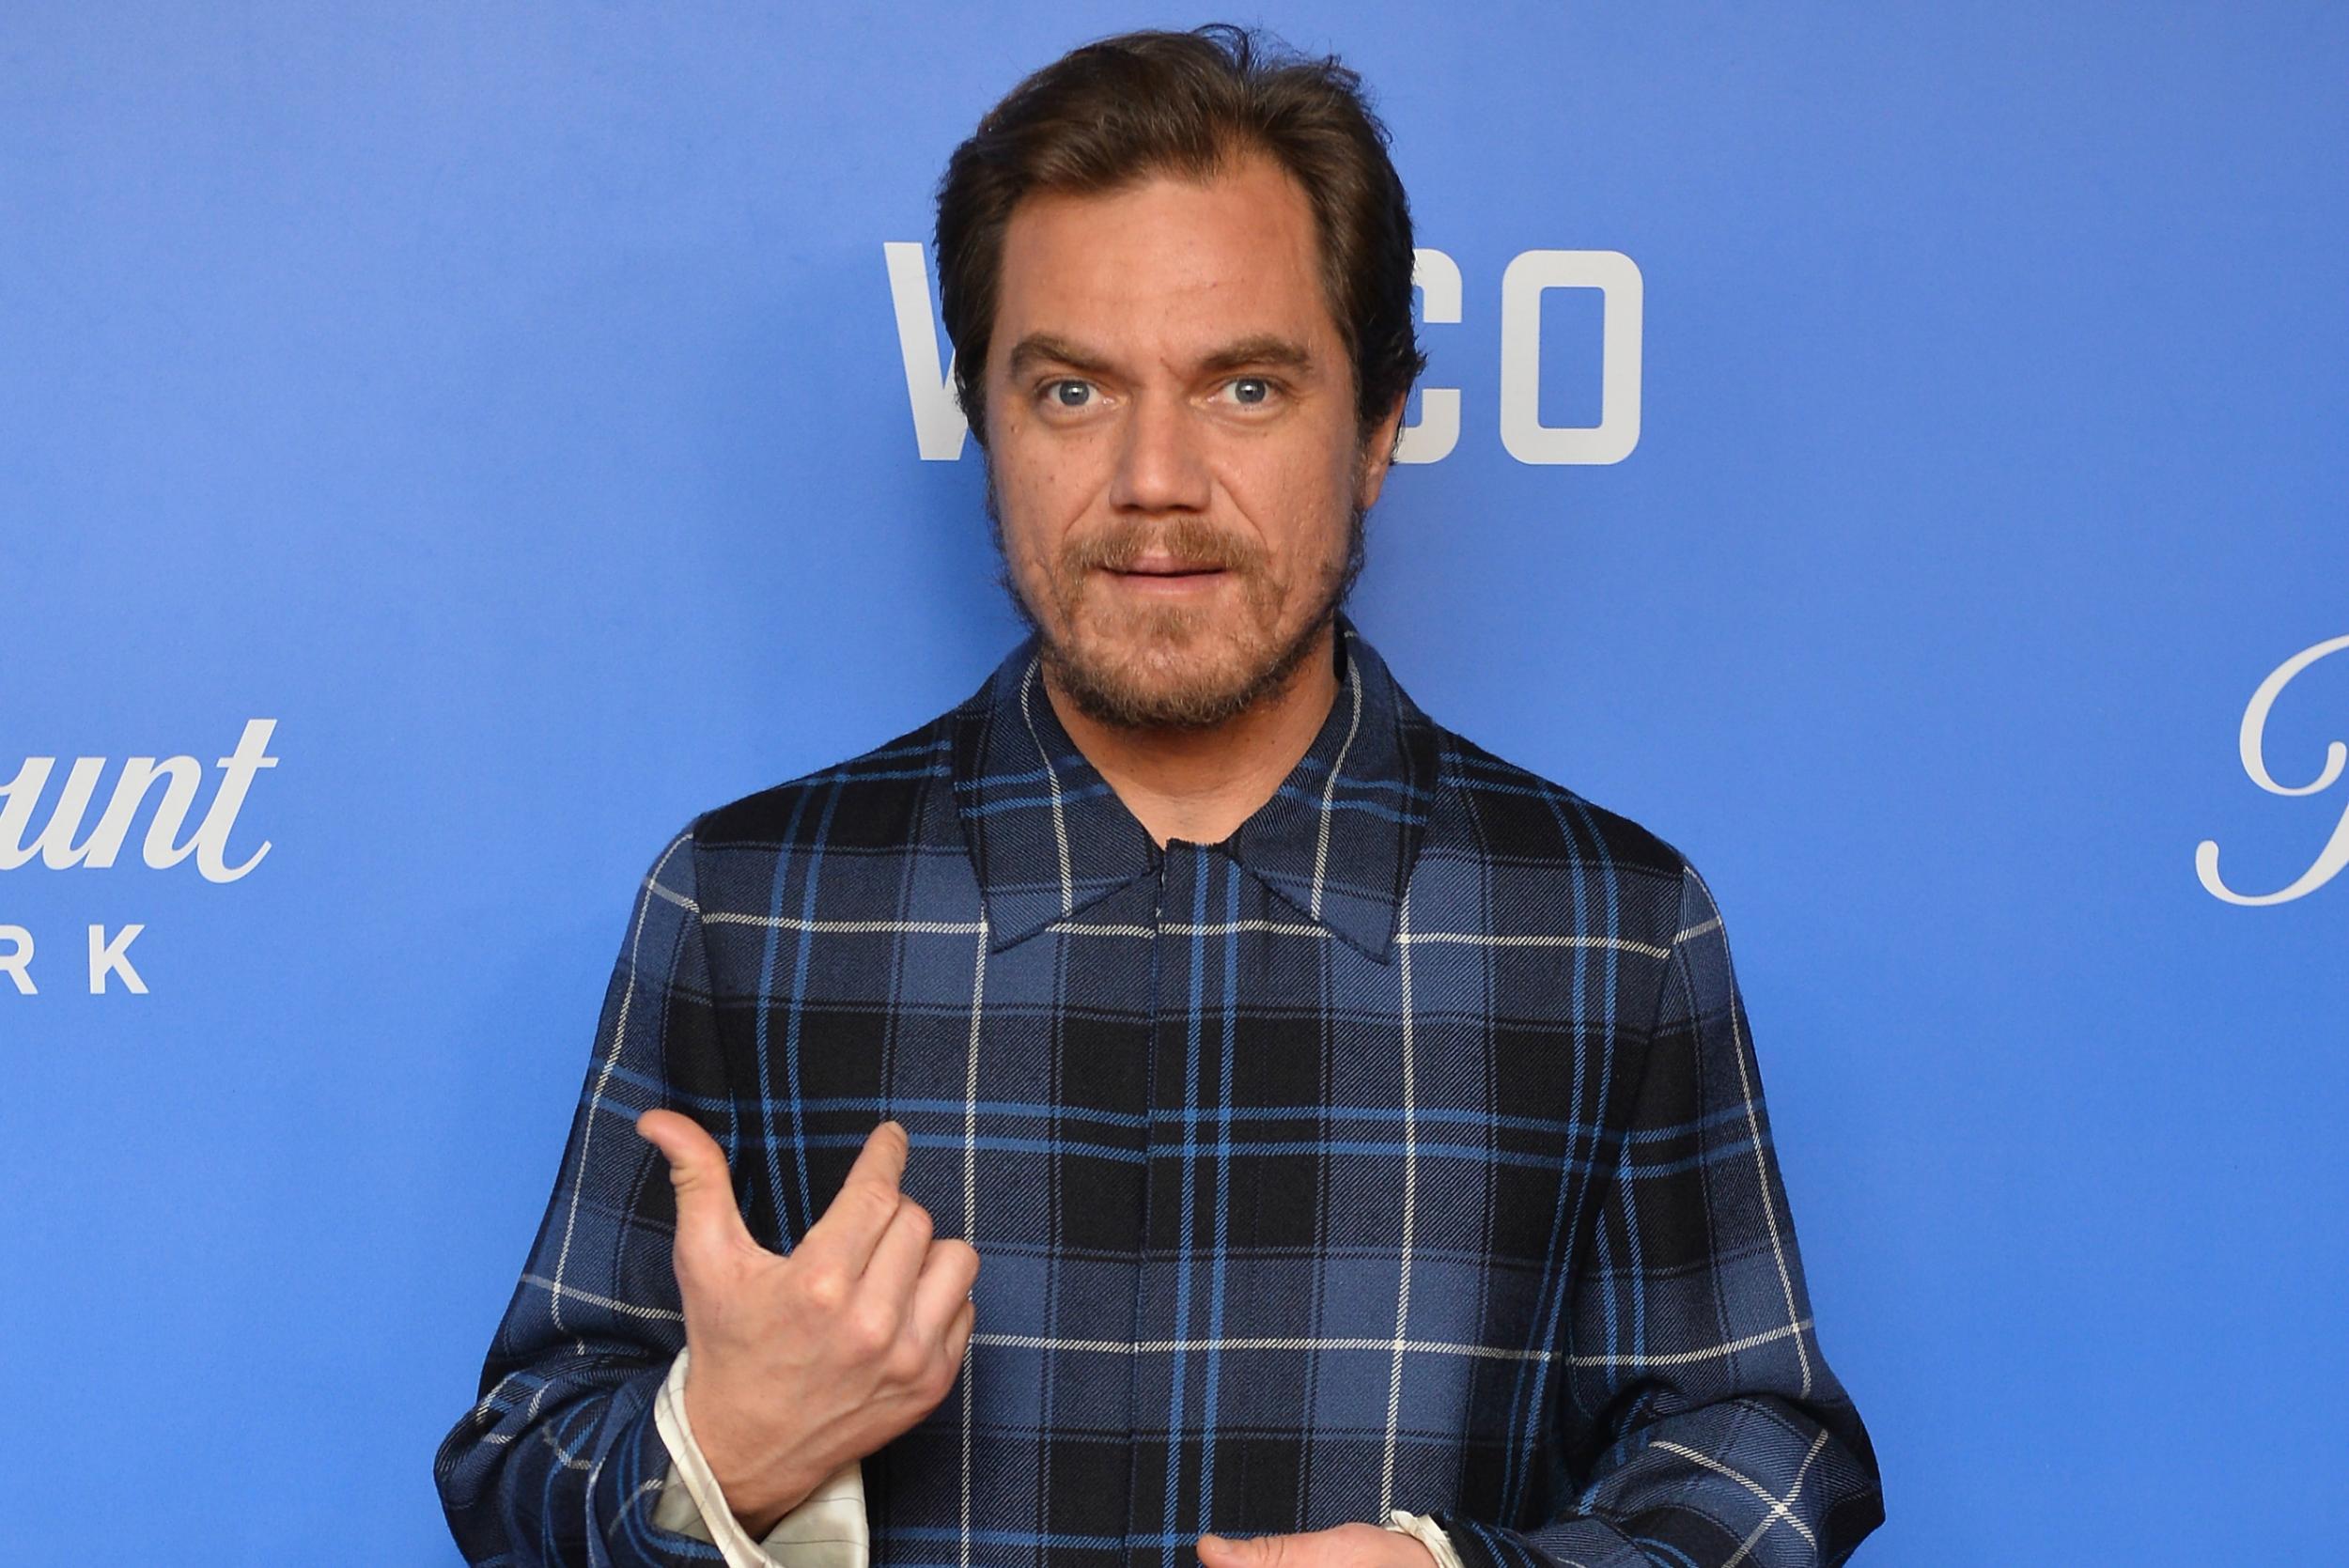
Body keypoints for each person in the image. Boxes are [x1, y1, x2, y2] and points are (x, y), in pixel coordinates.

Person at [433, 23, 1885, 1568]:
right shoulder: (752, 904)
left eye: (1245, 387)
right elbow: (520, 1465)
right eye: (1072, 391)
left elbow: (1759, 1459)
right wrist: (719, 1453)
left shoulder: (1608, 928)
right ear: (985, 420)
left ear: (1380, 427)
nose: (1153, 479)